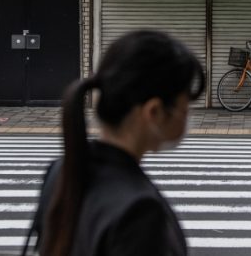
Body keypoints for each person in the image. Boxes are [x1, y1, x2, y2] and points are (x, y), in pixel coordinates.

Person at [24, 30, 204, 256]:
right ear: (154, 112)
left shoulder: (61, 169)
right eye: (186, 107)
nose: (188, 117)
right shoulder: (141, 213)